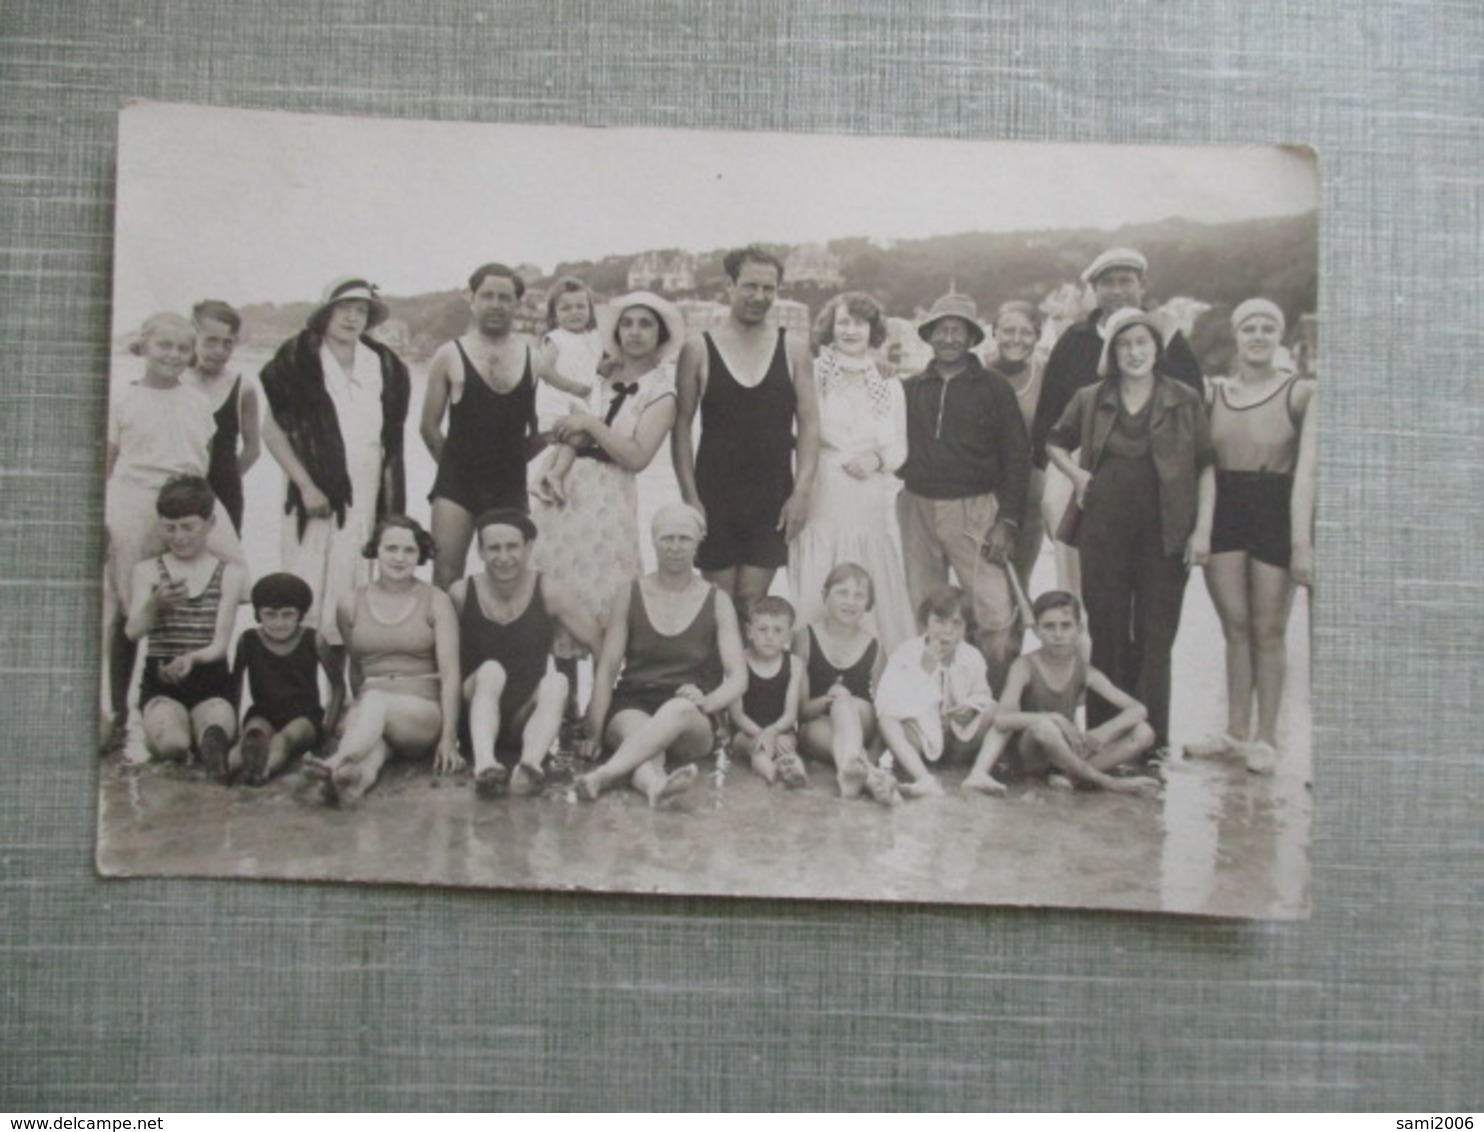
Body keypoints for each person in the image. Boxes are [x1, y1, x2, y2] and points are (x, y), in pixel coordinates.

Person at [1045, 308, 1216, 753]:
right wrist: (1077, 476)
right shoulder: (1090, 397)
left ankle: (1153, 742)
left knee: (1157, 639)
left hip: (1167, 534)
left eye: (1142, 343)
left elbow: (1205, 466)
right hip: (1102, 532)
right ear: (1112, 352)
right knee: (1108, 635)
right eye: (1124, 344)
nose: (1134, 352)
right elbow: (1054, 441)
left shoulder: (1184, 398)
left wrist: (1202, 532)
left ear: (1157, 350)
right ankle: (1107, 736)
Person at [259, 278, 411, 689]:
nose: (352, 317)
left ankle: (349, 696)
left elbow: (391, 438)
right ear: (326, 313)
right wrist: (307, 485)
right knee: (306, 592)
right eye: (344, 307)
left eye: (362, 310)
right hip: (316, 501)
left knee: (353, 597)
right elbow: (272, 433)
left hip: (367, 497)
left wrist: (391, 507)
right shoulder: (298, 360)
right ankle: (304, 693)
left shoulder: (384, 365)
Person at [1186, 299, 1318, 774]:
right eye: (1249, 328)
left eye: (1268, 328)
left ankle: (1267, 737)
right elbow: (1199, 463)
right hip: (1225, 509)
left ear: (1279, 337)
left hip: (1274, 509)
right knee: (1235, 629)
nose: (1258, 336)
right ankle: (1235, 733)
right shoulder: (1213, 394)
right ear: (1236, 337)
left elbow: (1307, 474)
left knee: (1269, 630)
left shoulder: (1301, 394)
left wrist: (1302, 541)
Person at [103, 313, 247, 746]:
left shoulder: (197, 401)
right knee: (130, 607)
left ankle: (211, 686)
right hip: (134, 498)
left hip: (190, 494)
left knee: (239, 576)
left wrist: (200, 509)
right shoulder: (122, 399)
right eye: (164, 346)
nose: (174, 355)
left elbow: (201, 459)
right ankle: (119, 713)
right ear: (143, 347)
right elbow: (106, 462)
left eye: (183, 349)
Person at [1030, 248, 1205, 594]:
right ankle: (1079, 639)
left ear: (1143, 285)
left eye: (1126, 281)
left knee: (1140, 577)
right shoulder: (1074, 340)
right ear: (1094, 289)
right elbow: (1049, 413)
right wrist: (1048, 471)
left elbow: (1194, 405)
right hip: (1080, 460)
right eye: (1107, 282)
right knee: (1074, 573)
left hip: (1150, 462)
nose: (1117, 290)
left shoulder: (1166, 336)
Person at [529, 291, 684, 647]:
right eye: (627, 323)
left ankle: (603, 698)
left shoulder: (662, 391)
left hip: (610, 496)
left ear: (660, 335)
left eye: (646, 324)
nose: (634, 332)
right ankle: (561, 697)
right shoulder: (598, 376)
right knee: (553, 587)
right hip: (564, 491)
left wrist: (591, 424)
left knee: (607, 602)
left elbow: (637, 457)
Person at [895, 293, 1031, 692]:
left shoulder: (994, 388)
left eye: (959, 330)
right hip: (916, 505)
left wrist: (1006, 522)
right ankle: (933, 702)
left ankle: (993, 705)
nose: (950, 337)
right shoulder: (908, 388)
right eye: (942, 329)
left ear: (972, 338)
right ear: (929, 335)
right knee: (926, 609)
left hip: (975, 509)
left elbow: (1018, 458)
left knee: (994, 614)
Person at [672, 245, 820, 608]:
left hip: (772, 494)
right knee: (719, 601)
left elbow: (810, 424)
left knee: (754, 598)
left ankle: (749, 666)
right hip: (714, 494)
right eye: (750, 286)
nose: (759, 297)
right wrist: (690, 498)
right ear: (730, 285)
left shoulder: (794, 348)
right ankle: (721, 666)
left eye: (769, 289)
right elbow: (681, 427)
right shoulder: (698, 349)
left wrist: (801, 492)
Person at [574, 504, 747, 807]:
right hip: (633, 702)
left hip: (690, 712)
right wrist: (594, 731)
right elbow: (607, 669)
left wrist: (707, 703)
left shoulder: (717, 600)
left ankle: (603, 775)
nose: (675, 548)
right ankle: (655, 786)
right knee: (642, 739)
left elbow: (738, 677)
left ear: (697, 544)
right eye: (667, 538)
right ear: (653, 541)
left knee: (675, 711)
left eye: (684, 539)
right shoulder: (629, 594)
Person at [787, 291, 915, 652]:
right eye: (843, 322)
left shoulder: (888, 383)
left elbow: (899, 448)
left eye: (859, 323)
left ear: (872, 330)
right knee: (820, 563)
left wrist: (876, 460)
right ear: (830, 327)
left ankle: (870, 664)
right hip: (822, 484)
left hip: (867, 491)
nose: (850, 330)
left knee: (868, 562)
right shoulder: (811, 373)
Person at [305, 517, 460, 805]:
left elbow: (451, 675)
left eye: (409, 551)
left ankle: (335, 760)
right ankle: (353, 784)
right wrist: (351, 711)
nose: (399, 558)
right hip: (373, 709)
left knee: (375, 702)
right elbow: (357, 667)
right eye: (391, 549)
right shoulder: (350, 603)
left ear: (421, 554)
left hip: (421, 715)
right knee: (372, 752)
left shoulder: (437, 600)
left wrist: (448, 739)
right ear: (376, 550)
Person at [449, 508, 602, 800]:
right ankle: (484, 765)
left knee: (557, 682)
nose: (504, 557)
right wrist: (444, 736)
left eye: (512, 547)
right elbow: (441, 661)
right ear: (479, 551)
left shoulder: (550, 591)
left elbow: (599, 643)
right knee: (492, 670)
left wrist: (595, 713)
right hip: (475, 716)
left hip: (526, 719)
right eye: (494, 548)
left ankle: (530, 764)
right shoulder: (461, 593)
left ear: (529, 548)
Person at [420, 263, 552, 590]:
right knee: (446, 576)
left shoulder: (534, 359)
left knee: (510, 578)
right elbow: (428, 427)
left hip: (509, 483)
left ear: (517, 304)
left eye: (505, 298)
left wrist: (510, 463)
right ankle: (447, 643)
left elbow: (545, 430)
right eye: (488, 296)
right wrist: (456, 467)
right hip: (456, 484)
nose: (496, 304)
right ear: (472, 299)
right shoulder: (448, 355)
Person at [963, 590, 1159, 795]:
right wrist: (1054, 717)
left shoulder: (1084, 670)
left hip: (1065, 752)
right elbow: (1002, 720)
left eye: (1066, 626)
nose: (1058, 634)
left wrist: (1105, 731)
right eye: (1049, 626)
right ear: (1037, 631)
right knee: (1045, 727)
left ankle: (1070, 776)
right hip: (1033, 755)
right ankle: (1104, 781)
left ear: (1078, 629)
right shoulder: (1025, 666)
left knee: (1143, 732)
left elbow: (1138, 709)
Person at [122, 476, 247, 777]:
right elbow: (132, 632)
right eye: (170, 527)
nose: (179, 537)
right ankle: (178, 739)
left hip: (211, 681)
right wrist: (155, 604)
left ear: (210, 522)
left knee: (214, 732)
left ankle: (214, 747)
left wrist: (191, 659)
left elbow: (219, 645)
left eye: (188, 527)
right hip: (161, 684)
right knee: (174, 746)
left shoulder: (230, 573)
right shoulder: (148, 571)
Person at [875, 585, 997, 801]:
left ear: (966, 627)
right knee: (887, 720)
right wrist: (927, 664)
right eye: (939, 621)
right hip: (921, 738)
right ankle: (923, 778)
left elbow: (982, 693)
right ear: (926, 621)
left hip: (958, 737)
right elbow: (888, 702)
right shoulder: (906, 652)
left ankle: (979, 773)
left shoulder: (972, 656)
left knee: (994, 709)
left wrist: (971, 707)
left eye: (956, 623)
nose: (947, 631)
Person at [230, 572, 341, 786]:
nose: (278, 623)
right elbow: (235, 685)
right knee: (252, 734)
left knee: (283, 740)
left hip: (304, 716)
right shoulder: (248, 640)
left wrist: (328, 728)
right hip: (263, 712)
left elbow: (337, 685)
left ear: (300, 614)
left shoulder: (314, 639)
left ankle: (263, 771)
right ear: (257, 614)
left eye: (287, 615)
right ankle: (227, 766)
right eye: (270, 615)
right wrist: (235, 728)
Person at [795, 563, 889, 802]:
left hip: (861, 720)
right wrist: (828, 699)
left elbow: (885, 712)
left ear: (868, 604)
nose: (851, 601)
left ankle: (856, 766)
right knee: (818, 728)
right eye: (842, 593)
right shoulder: (805, 638)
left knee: (844, 702)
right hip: (819, 724)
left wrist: (876, 751)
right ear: (825, 596)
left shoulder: (875, 648)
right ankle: (863, 774)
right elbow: (801, 711)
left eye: (859, 595)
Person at [984, 300, 1050, 593]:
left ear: (1037, 335)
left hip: (1028, 494)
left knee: (1018, 585)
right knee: (981, 584)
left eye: (1026, 332)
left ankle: (1013, 641)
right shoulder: (974, 370)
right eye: (1008, 330)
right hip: (979, 491)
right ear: (994, 332)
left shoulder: (1047, 374)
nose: (1016, 339)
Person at [183, 299, 260, 536]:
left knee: (223, 565)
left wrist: (225, 479)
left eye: (227, 343)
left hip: (224, 493)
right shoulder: (175, 382)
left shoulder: (243, 388)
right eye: (211, 341)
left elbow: (252, 450)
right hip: (177, 489)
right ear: (193, 337)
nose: (219, 351)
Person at [727, 595, 807, 787]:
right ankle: (773, 775)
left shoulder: (795, 664)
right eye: (763, 629)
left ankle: (797, 775)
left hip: (781, 729)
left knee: (788, 751)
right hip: (746, 732)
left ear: (788, 636)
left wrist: (775, 732)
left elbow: (790, 714)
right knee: (760, 750)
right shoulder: (739, 662)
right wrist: (762, 734)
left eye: (778, 630)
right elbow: (736, 714)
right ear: (749, 632)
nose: (769, 636)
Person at [534, 276, 604, 437]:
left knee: (576, 444)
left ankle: (555, 463)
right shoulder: (557, 338)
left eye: (581, 306)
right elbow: (543, 370)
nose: (574, 312)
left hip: (583, 400)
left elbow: (594, 365)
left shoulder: (593, 337)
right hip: (560, 401)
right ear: (554, 315)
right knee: (574, 440)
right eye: (566, 308)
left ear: (590, 311)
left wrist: (611, 364)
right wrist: (570, 387)